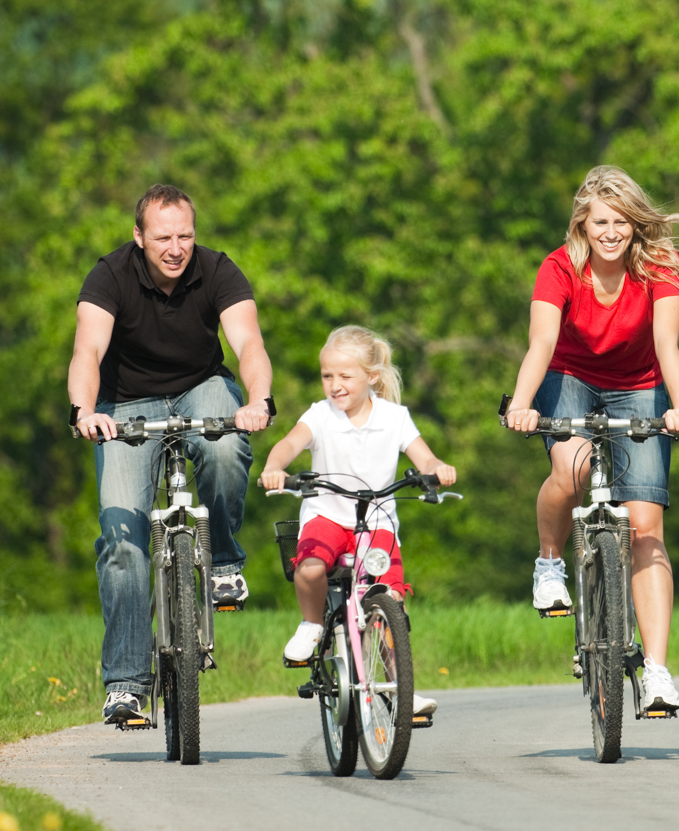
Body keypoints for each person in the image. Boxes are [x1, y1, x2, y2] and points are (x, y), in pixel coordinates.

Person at [69, 185, 274, 725]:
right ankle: (126, 686)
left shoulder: (218, 271)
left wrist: (257, 400)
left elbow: (248, 344)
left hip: (199, 386)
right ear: (139, 237)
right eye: (162, 237)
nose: (176, 247)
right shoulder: (109, 276)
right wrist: (84, 410)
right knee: (122, 543)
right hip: (124, 404)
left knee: (227, 447)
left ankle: (224, 562)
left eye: (185, 235)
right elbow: (87, 350)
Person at [503, 165, 679, 713]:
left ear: (636, 225)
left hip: (639, 385)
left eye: (621, 222)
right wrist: (522, 404)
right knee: (570, 471)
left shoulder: (661, 264)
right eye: (600, 222)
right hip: (567, 376)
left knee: (645, 525)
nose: (611, 232)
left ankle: (657, 671)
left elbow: (667, 341)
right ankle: (549, 561)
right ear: (582, 226)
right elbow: (542, 342)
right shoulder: (559, 267)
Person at [259, 325, 454, 718]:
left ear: (372, 377)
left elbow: (425, 458)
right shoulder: (320, 415)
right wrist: (274, 466)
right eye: (327, 376)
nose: (335, 385)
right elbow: (289, 444)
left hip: (378, 521)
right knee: (310, 568)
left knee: (388, 600)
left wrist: (438, 469)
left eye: (345, 376)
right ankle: (312, 624)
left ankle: (401, 688)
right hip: (327, 515)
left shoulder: (395, 417)